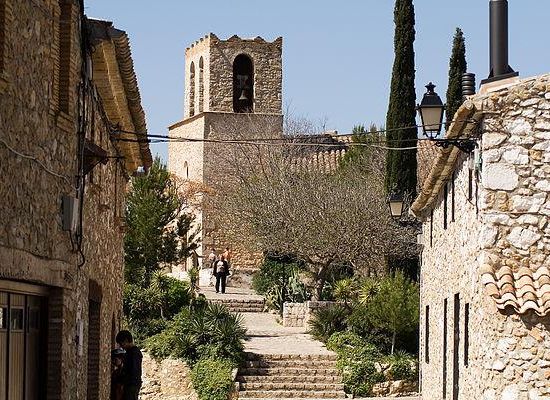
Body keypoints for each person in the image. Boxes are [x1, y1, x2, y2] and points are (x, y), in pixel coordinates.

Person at [115, 330, 142, 400]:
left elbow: (133, 371)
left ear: (126, 340)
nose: (121, 346)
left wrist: (122, 381)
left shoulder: (134, 353)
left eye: (121, 344)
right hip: (130, 385)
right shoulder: (129, 352)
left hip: (131, 385)